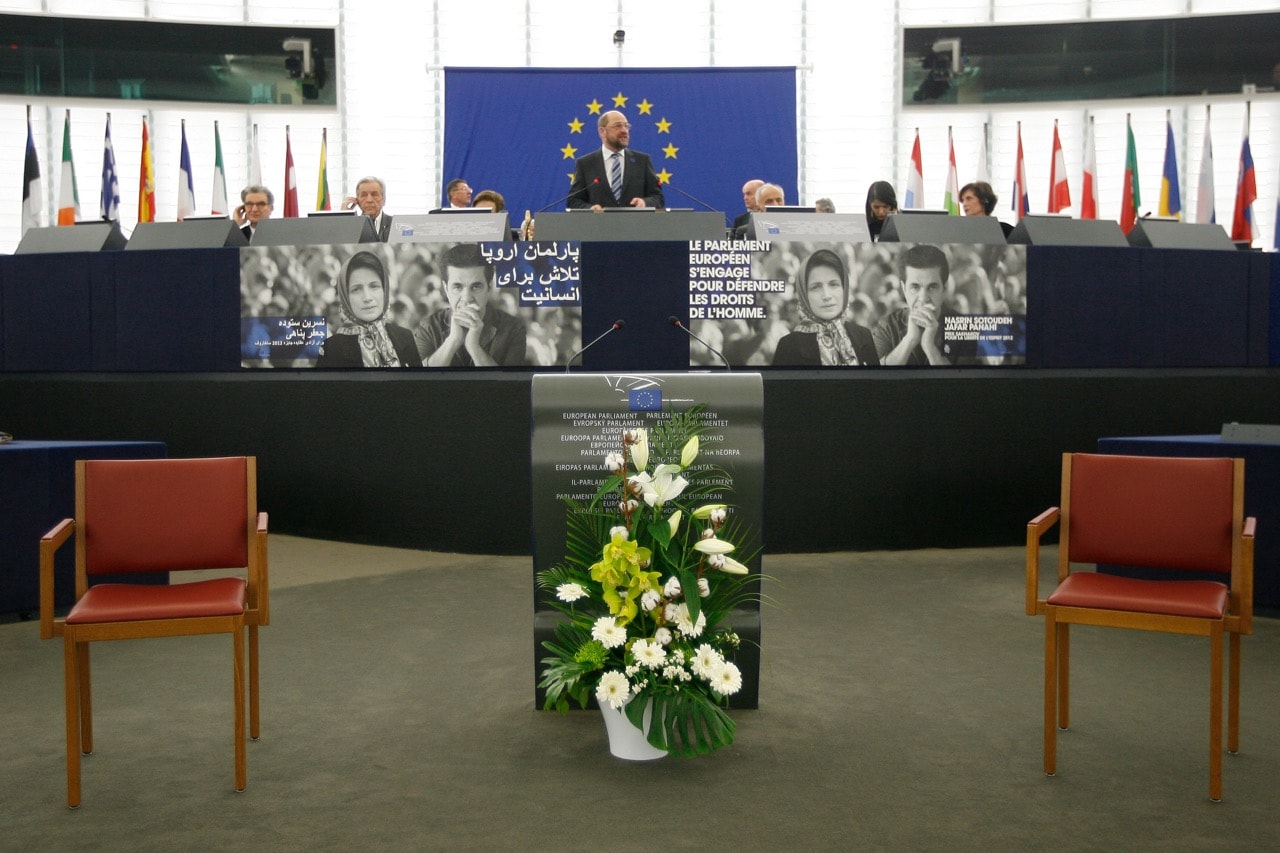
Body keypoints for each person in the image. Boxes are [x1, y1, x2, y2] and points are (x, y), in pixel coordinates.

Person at [414, 243, 527, 367]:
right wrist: (453, 341)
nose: (467, 298)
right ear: (446, 289)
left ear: (489, 288)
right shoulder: (427, 328)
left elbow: (509, 385)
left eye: (476, 287)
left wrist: (474, 348)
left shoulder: (513, 329)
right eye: (457, 287)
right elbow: (420, 382)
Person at [772, 249, 879, 367]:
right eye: (816, 287)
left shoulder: (863, 336)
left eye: (834, 284)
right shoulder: (789, 346)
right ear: (804, 295)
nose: (827, 296)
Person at [316, 251, 422, 368]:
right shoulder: (332, 349)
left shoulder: (405, 337)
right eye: (356, 289)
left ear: (385, 291)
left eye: (374, 286)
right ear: (346, 297)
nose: (367, 298)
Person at [872, 243, 953, 366]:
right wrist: (909, 340)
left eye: (932, 287)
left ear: (944, 289)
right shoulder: (886, 327)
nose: (924, 298)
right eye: (915, 287)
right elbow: (876, 379)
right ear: (904, 289)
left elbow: (962, 383)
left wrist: (929, 347)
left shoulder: (964, 327)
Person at [566, 111, 664, 211]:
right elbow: (573, 200)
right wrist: (590, 208)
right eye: (618, 126)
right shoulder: (585, 163)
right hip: (599, 224)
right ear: (602, 131)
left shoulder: (642, 161)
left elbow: (658, 197)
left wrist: (644, 203)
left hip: (635, 224)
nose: (624, 130)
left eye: (626, 126)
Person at [341, 176, 393, 242]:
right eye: (364, 195)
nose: (369, 200)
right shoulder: (351, 226)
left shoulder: (394, 224)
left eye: (374, 195)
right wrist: (344, 217)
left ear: (384, 199)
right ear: (357, 200)